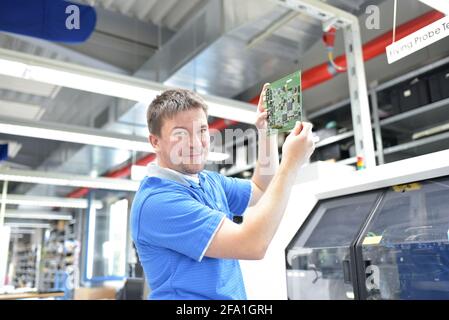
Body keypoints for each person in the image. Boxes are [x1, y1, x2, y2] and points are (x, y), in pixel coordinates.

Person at [130, 86, 315, 299]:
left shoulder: (207, 181)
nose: (196, 143)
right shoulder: (157, 203)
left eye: (201, 131)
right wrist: (290, 163)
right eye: (180, 134)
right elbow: (252, 245)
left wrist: (267, 132)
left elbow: (261, 189)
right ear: (155, 141)